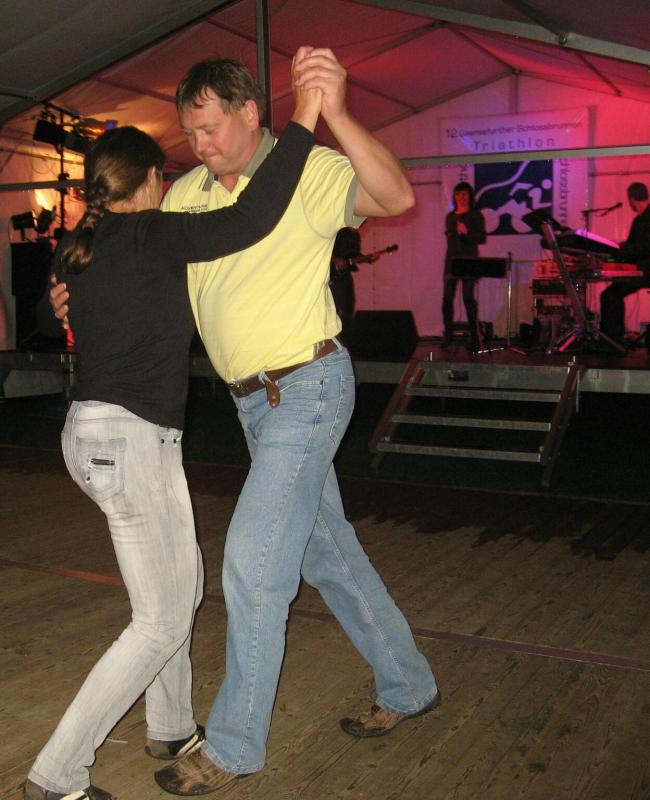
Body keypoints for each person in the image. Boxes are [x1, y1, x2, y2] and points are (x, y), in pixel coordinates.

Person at [145, 48, 440, 797]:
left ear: (250, 113)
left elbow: (396, 194)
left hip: (308, 387)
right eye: (190, 133)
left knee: (253, 562)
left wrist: (335, 110)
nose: (199, 145)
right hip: (252, 404)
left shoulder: (307, 168)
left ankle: (233, 746)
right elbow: (153, 278)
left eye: (211, 129)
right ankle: (409, 684)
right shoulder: (185, 193)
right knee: (327, 554)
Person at [25, 64, 321, 800]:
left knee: (180, 587)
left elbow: (42, 321)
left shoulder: (81, 244)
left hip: (97, 436)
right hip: (130, 442)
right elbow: (253, 217)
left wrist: (54, 308)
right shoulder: (151, 233)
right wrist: (303, 124)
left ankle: (170, 724)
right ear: (150, 180)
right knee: (158, 620)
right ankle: (55, 774)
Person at [599, 182, 650, 346]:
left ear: (632, 199)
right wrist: (617, 251)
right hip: (640, 269)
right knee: (612, 294)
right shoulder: (640, 219)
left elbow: (641, 248)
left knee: (610, 295)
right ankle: (615, 338)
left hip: (645, 271)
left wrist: (615, 250)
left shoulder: (643, 220)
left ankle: (612, 340)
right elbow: (633, 247)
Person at [442, 181, 486, 350]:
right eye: (458, 194)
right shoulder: (450, 217)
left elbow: (481, 238)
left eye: (464, 194)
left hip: (469, 261)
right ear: (454, 196)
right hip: (452, 262)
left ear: (469, 196)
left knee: (468, 299)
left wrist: (467, 233)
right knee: (447, 299)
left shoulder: (476, 215)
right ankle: (448, 335)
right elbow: (450, 240)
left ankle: (475, 337)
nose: (461, 197)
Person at [329, 226, 378, 343]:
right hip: (331, 276)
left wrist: (365, 259)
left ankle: (345, 342)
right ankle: (332, 342)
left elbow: (352, 256)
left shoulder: (354, 235)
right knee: (333, 310)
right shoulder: (335, 230)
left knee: (348, 309)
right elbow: (324, 248)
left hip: (344, 277)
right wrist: (334, 259)